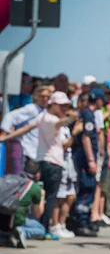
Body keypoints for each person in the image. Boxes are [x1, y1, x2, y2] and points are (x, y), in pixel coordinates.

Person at [36, 91, 78, 239]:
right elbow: (60, 123)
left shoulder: (43, 117)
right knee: (51, 197)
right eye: (61, 105)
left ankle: (42, 227)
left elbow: (64, 144)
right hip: (52, 162)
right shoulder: (49, 118)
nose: (64, 108)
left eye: (66, 105)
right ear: (52, 105)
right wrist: (73, 118)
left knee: (47, 196)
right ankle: (44, 229)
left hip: (48, 161)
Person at [72, 91, 99, 237]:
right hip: (85, 158)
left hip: (86, 157)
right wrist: (91, 160)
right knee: (86, 188)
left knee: (89, 188)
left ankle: (85, 220)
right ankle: (81, 222)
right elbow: (86, 138)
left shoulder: (87, 114)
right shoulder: (88, 114)